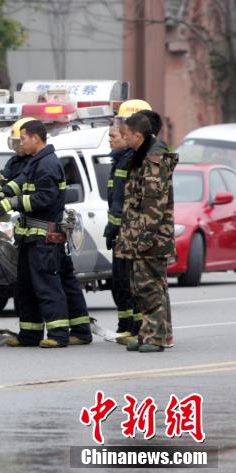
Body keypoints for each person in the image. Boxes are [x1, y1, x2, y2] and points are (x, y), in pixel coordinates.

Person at [0, 119, 72, 348]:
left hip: (43, 237)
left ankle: (58, 335)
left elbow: (44, 198)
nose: (21, 142)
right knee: (25, 287)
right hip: (29, 237)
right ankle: (29, 334)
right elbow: (20, 182)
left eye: (23, 138)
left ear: (36, 138)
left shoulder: (48, 165)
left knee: (46, 286)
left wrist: (12, 203)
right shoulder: (35, 163)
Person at [116, 112, 177, 353]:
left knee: (148, 287)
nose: (124, 139)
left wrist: (144, 237)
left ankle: (156, 337)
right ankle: (152, 333)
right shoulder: (142, 155)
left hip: (150, 237)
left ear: (138, 135)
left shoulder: (154, 158)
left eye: (126, 135)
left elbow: (154, 203)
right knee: (145, 286)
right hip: (141, 234)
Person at [105, 118, 139, 342]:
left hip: (129, 233)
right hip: (119, 233)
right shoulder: (118, 161)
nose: (110, 140)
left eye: (113, 136)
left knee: (130, 282)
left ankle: (137, 328)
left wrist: (114, 227)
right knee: (118, 282)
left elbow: (122, 201)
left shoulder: (131, 161)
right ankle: (125, 325)